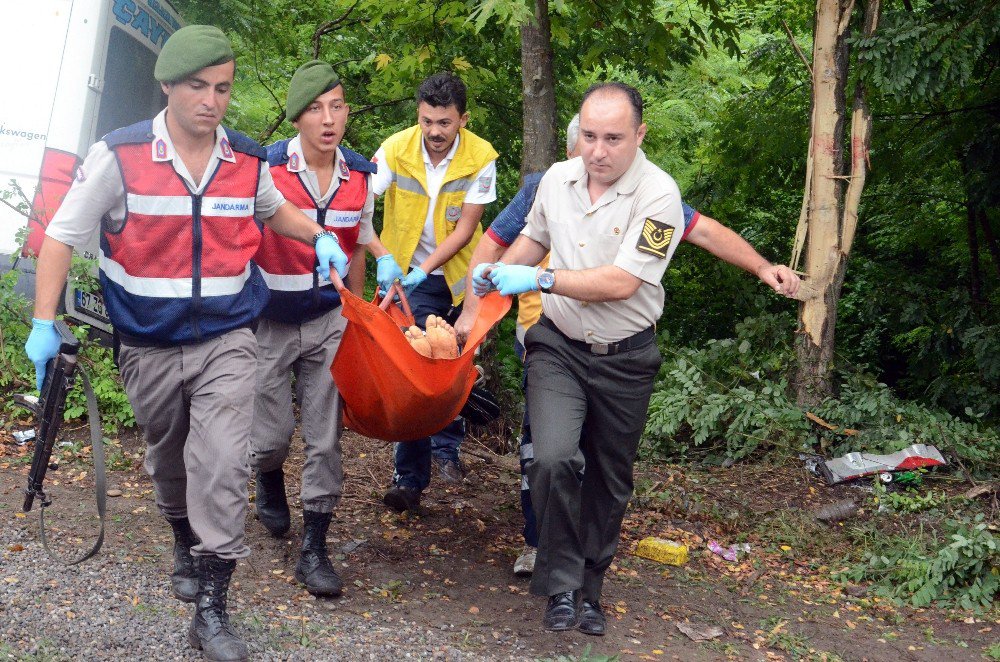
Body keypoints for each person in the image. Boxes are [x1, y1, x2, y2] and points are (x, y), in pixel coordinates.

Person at [23, 26, 352, 661]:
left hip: (229, 336)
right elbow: (62, 234)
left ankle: (212, 605)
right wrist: (44, 322)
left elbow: (270, 210)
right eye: (197, 86)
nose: (212, 100)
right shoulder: (118, 157)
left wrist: (319, 235)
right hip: (147, 343)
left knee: (225, 459)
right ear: (168, 86)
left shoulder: (247, 160)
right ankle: (181, 534)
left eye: (222, 88)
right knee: (168, 459)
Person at [478, 82, 799, 637]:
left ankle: (590, 588)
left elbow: (624, 282)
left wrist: (540, 277)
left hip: (626, 356)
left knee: (609, 478)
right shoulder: (557, 179)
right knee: (551, 458)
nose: (597, 150)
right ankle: (558, 584)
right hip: (556, 342)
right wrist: (490, 285)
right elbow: (531, 239)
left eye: (612, 138)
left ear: (640, 136)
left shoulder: (659, 195)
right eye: (589, 136)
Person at [250, 61, 403, 598]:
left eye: (337, 106)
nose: (328, 118)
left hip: (327, 320)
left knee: (325, 439)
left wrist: (375, 274)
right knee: (268, 439)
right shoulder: (264, 168)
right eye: (316, 108)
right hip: (268, 318)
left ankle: (314, 548)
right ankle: (268, 479)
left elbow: (359, 233)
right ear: (297, 117)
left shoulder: (359, 174)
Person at [369, 72, 498, 512]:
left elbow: (466, 230)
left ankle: (448, 450)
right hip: (407, 279)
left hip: (459, 276)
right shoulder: (394, 149)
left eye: (444, 122)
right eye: (427, 121)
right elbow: (362, 202)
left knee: (456, 363)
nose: (434, 132)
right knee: (413, 370)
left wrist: (426, 268)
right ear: (418, 116)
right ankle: (409, 477)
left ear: (462, 119)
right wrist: (384, 257)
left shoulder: (481, 157)